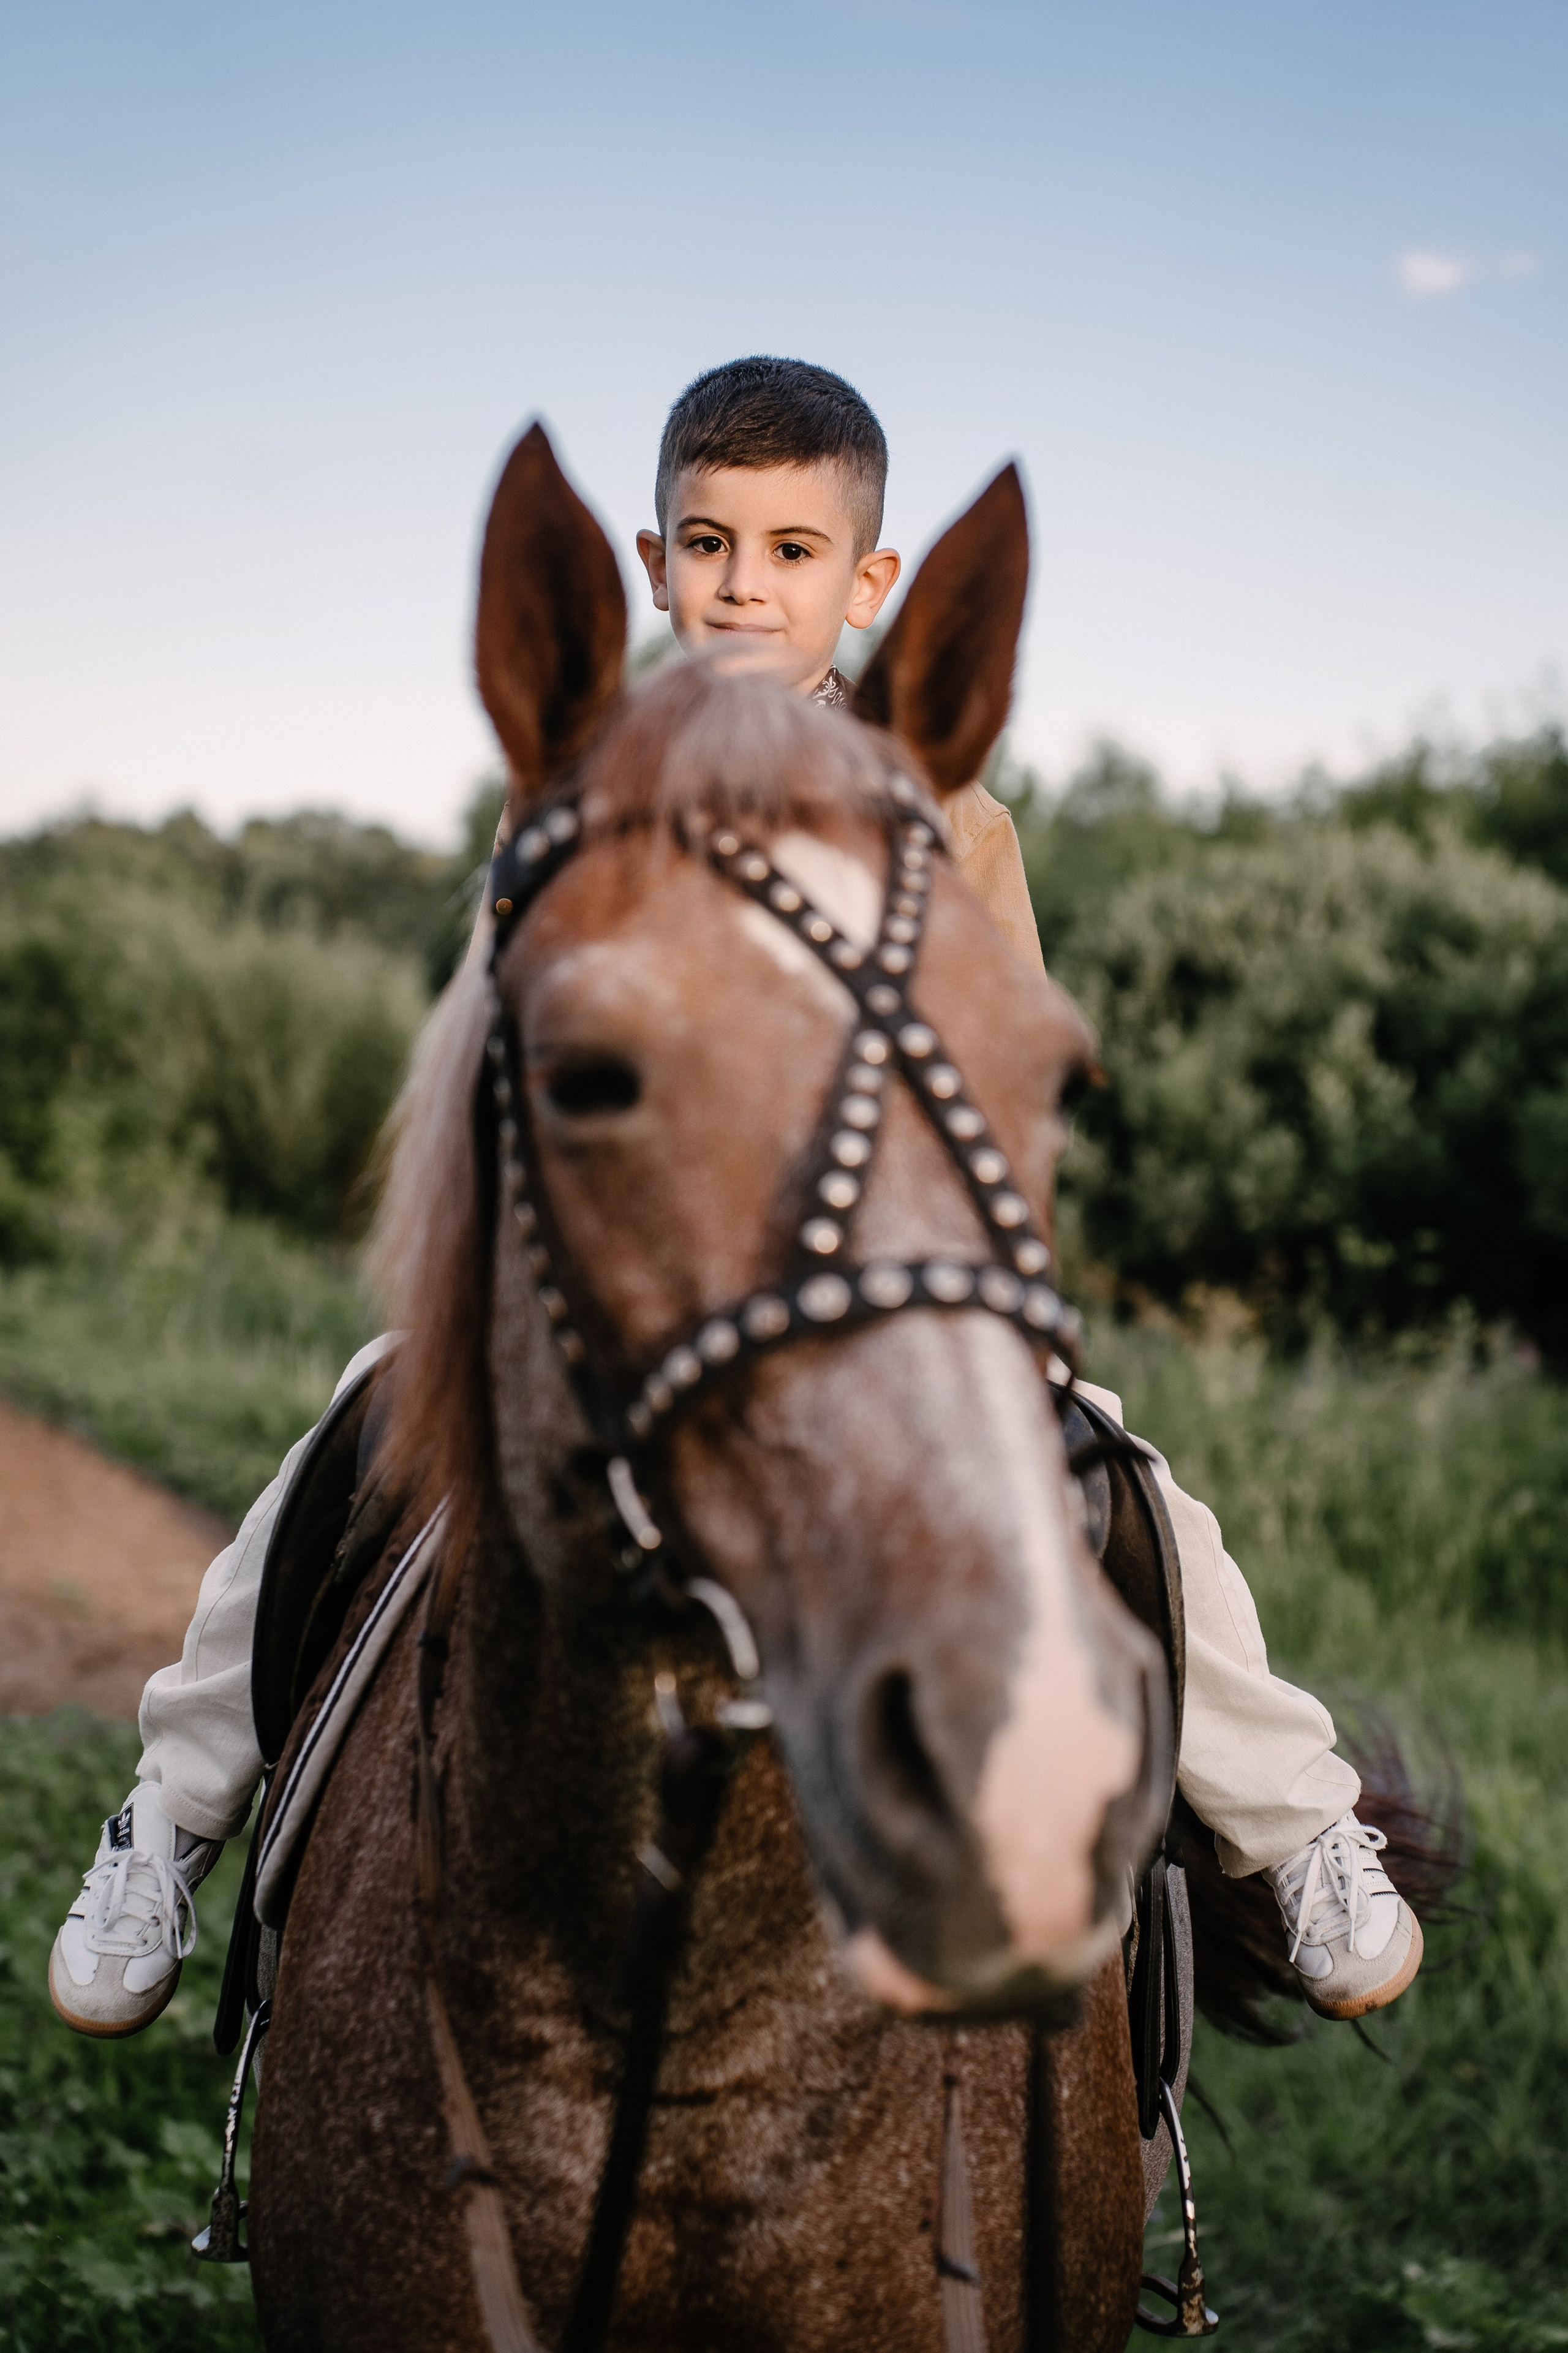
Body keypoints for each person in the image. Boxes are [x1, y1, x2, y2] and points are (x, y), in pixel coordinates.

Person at [49, 357, 1421, 2042]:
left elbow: (988, 1088)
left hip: (867, 1287)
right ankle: (174, 1813)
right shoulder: (572, 780)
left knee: (1126, 1480)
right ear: (651, 562)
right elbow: (504, 1049)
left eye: (788, 549)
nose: (744, 584)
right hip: (625, 1266)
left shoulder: (950, 806)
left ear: (869, 582)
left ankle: (1297, 1826)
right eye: (710, 544)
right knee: (349, 1433)